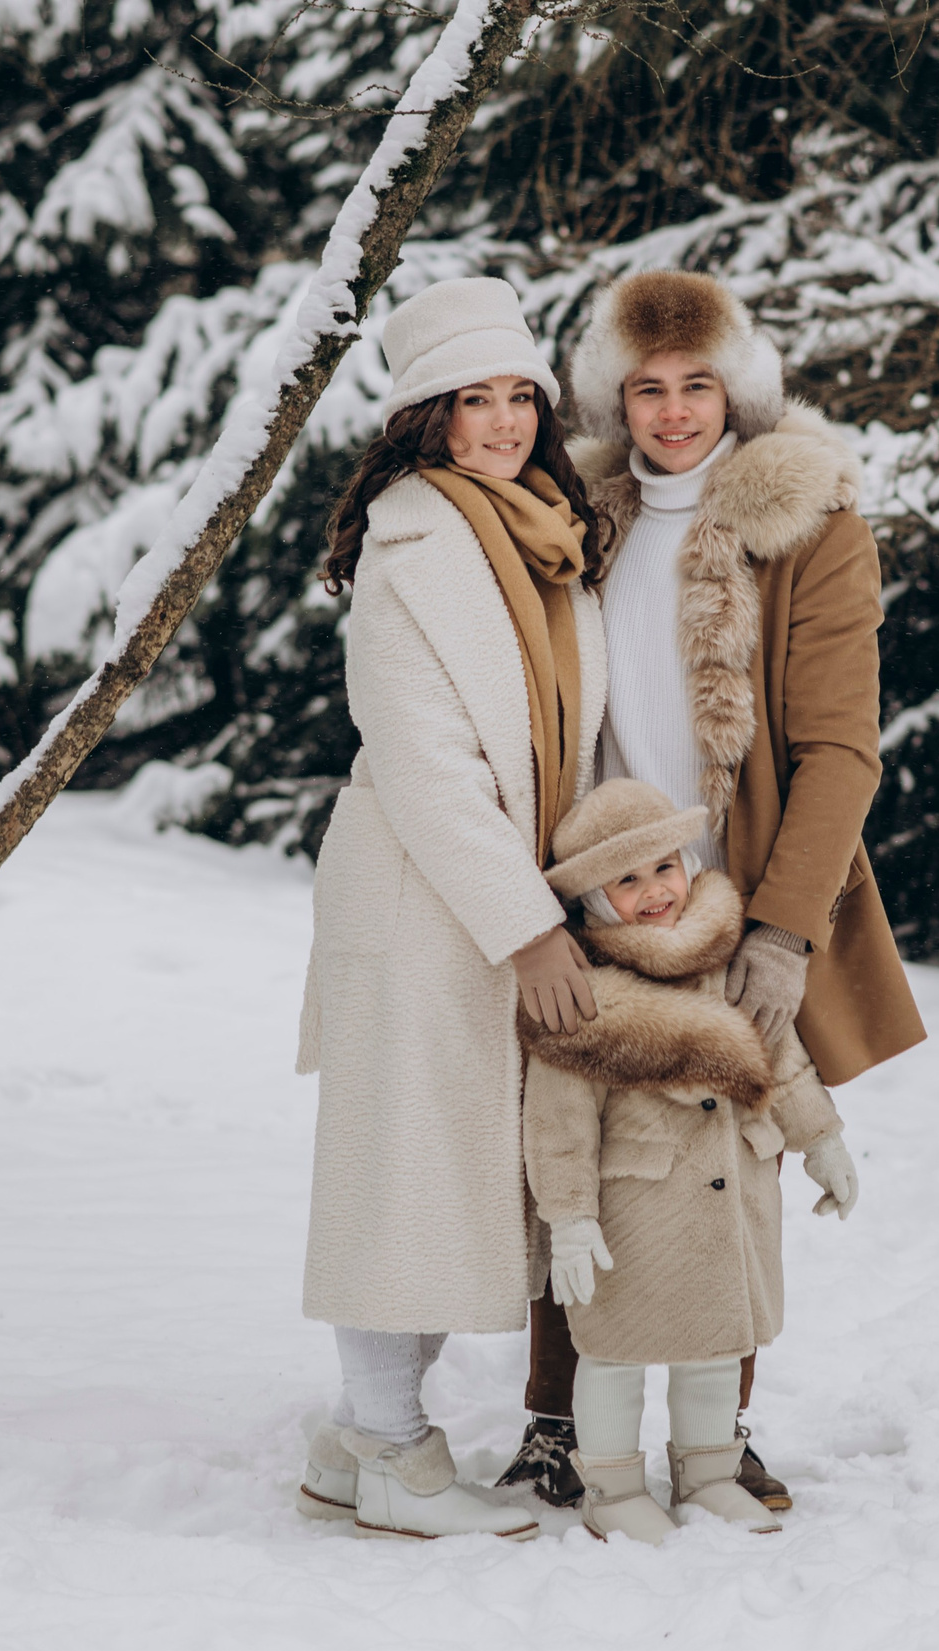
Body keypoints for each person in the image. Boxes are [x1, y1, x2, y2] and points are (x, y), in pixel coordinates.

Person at [498, 270, 927, 1512]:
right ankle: (557, 1424)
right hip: (593, 883)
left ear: (737, 388)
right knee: (575, 1145)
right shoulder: (582, 518)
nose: (674, 412)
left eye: (696, 385)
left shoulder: (808, 524)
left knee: (721, 1153)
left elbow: (841, 748)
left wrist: (785, 927)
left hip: (733, 891)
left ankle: (714, 1431)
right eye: (646, 387)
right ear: (612, 396)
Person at [291, 276, 609, 1541]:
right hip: (426, 897)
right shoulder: (411, 546)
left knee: (441, 1175)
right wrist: (527, 929)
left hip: (492, 892)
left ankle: (353, 1444)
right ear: (427, 417)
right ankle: (391, 1451)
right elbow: (424, 762)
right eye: (473, 399)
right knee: (401, 1175)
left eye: (519, 394)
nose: (504, 421)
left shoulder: (545, 535)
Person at [520, 780, 852, 1543]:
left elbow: (782, 1061)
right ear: (594, 897)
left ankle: (707, 1474)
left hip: (728, 1207)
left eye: (664, 867)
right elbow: (559, 1124)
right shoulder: (583, 995)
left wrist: (822, 1139)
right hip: (636, 1217)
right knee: (615, 1353)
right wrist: (568, 1219)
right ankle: (611, 1487)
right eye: (627, 879)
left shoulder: (725, 957)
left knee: (713, 1351)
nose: (654, 892)